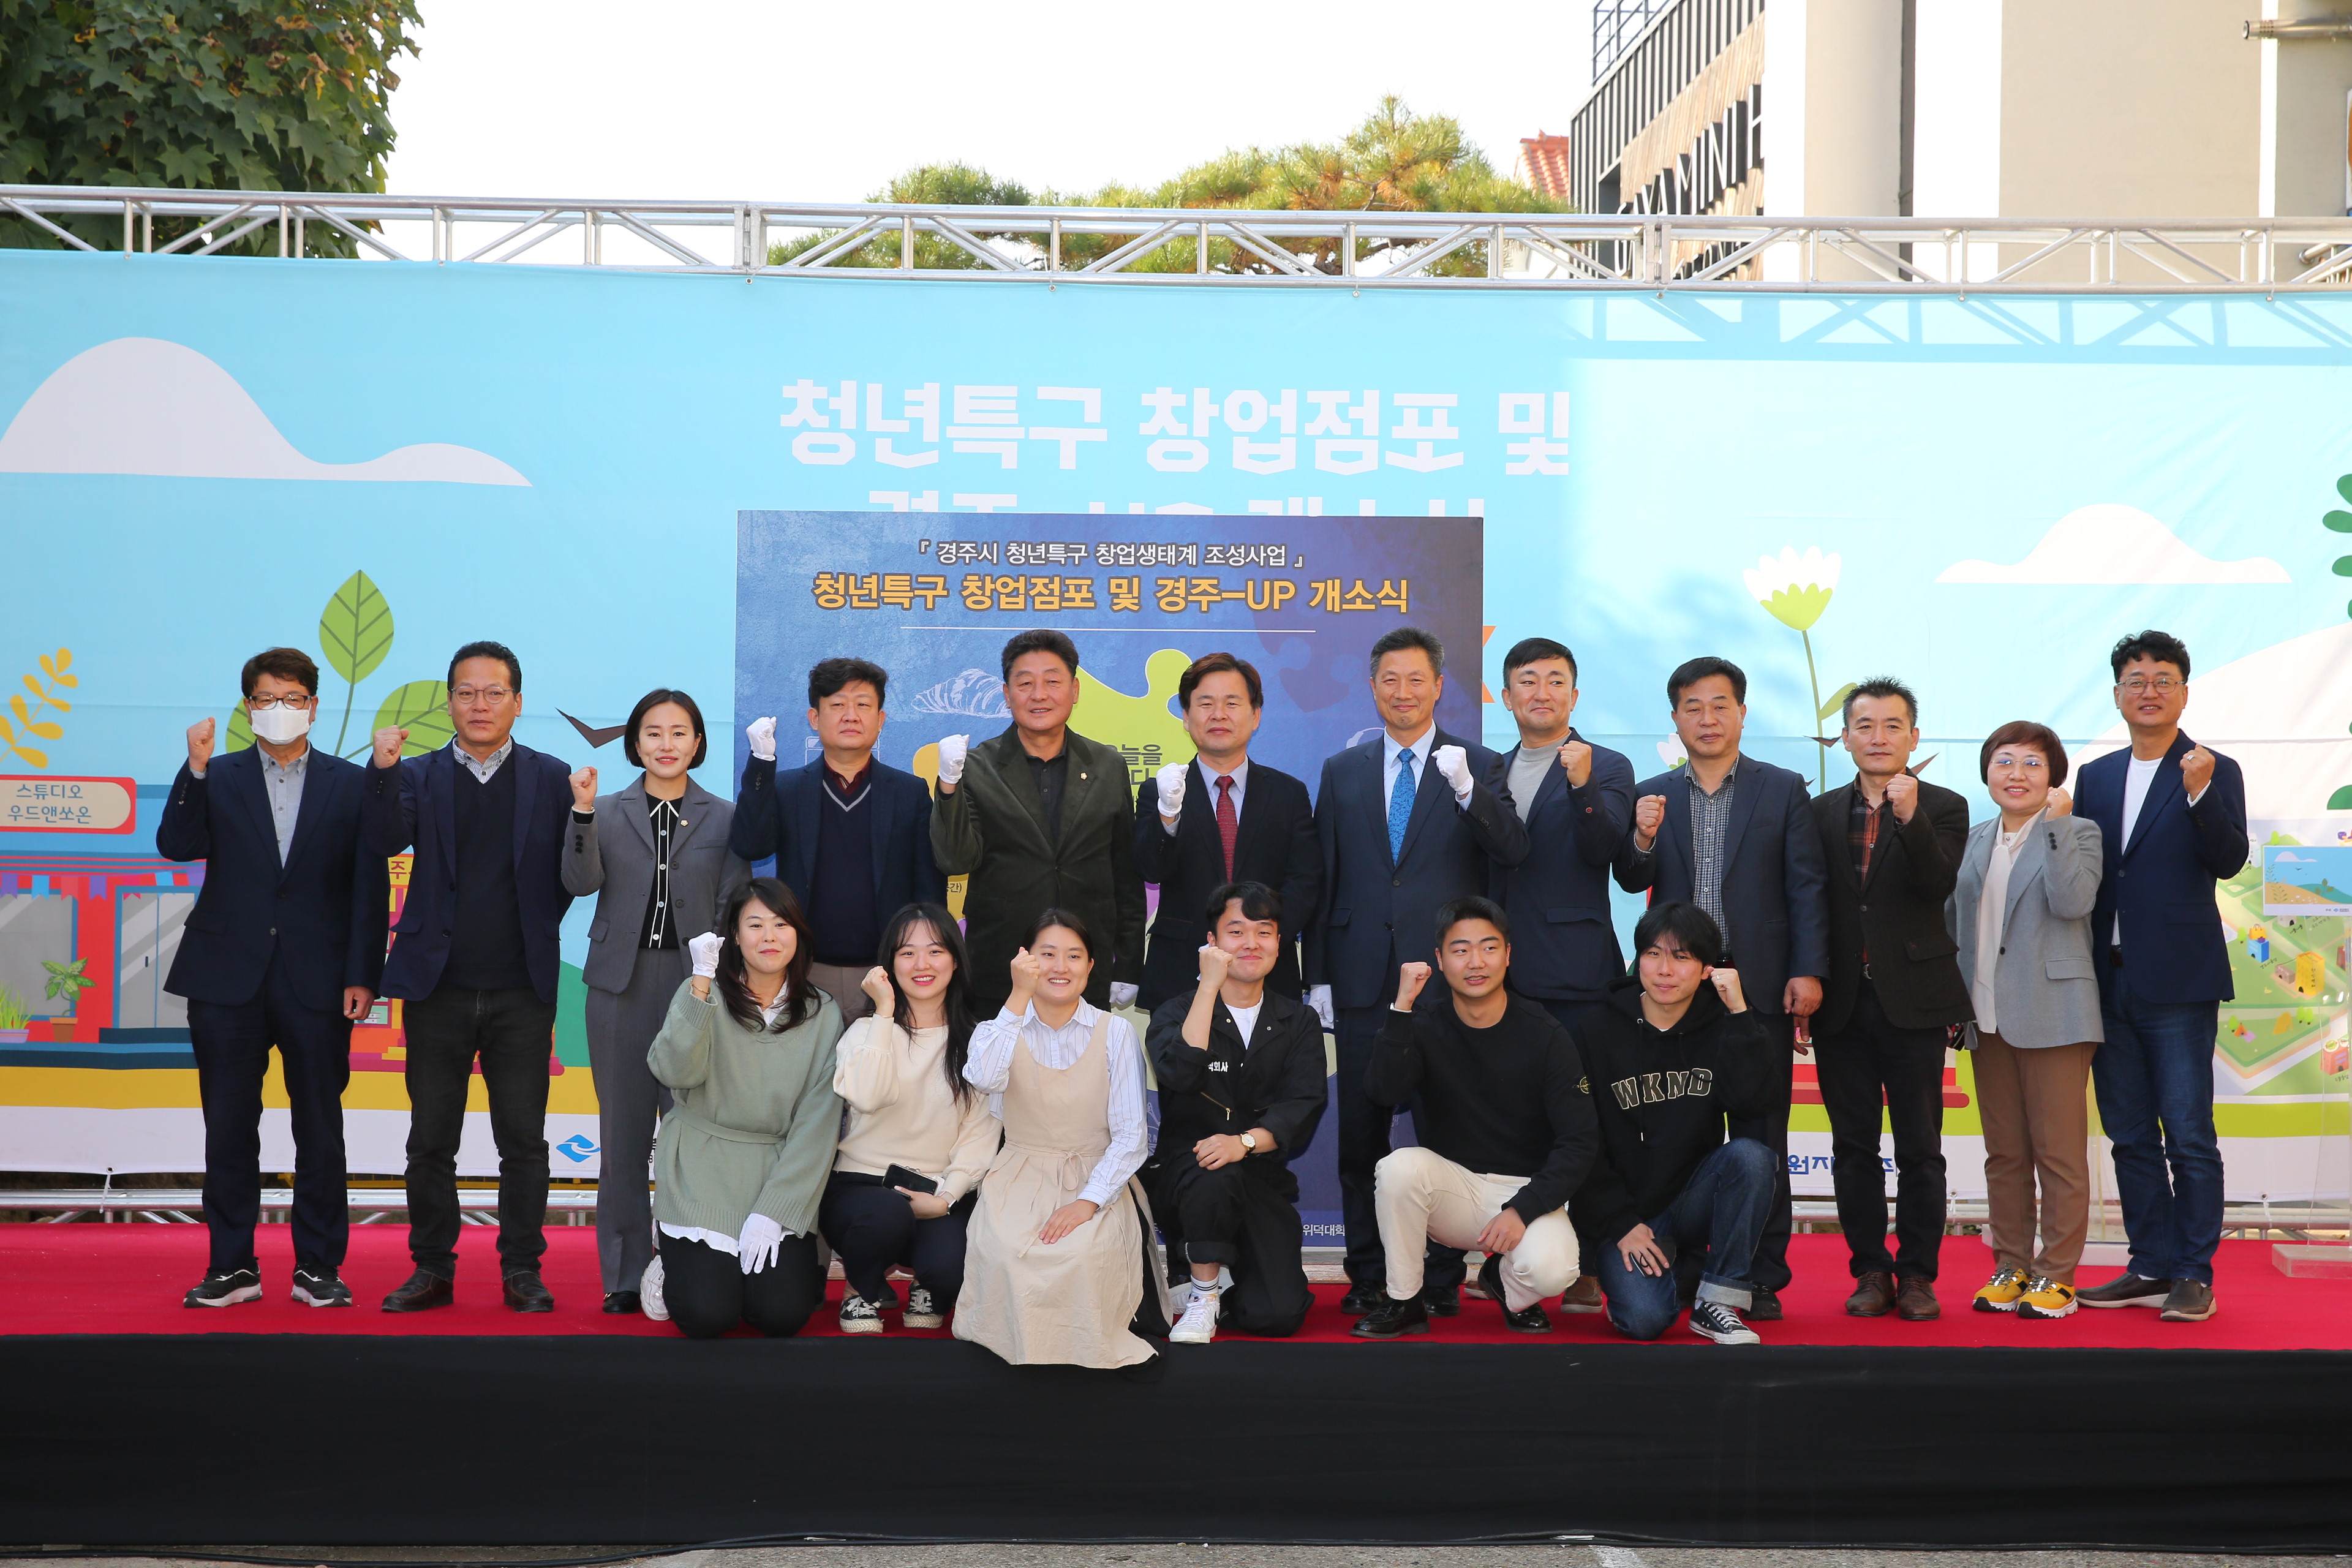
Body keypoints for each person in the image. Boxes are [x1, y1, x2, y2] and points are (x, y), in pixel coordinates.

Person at [1305, 627, 1528, 1316]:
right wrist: (1319, 975)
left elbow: (1511, 851)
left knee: (1449, 1134)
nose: (1403, 692)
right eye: (1390, 680)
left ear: (1439, 686)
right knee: (1361, 1136)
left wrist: (1469, 792)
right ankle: (1368, 1272)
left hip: (1450, 981)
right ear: (1373, 687)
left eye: (1416, 680)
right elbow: (1325, 876)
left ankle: (1440, 1277)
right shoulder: (1342, 770)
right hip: (1363, 978)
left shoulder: (1479, 764)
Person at [157, 647, 388, 1309]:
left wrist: (362, 974)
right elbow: (177, 845)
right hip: (226, 978)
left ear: (313, 706)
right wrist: (194, 768)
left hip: (319, 979)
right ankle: (232, 1266)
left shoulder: (351, 783)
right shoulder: (218, 773)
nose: (279, 709)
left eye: (292, 698)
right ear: (248, 706)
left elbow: (368, 887)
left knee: (320, 1128)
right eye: (266, 699)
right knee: (229, 1128)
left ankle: (318, 1266)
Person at [363, 640, 575, 1313]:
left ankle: (522, 1270)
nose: (480, 705)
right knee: (431, 1141)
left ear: (517, 701)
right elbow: (383, 841)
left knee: (524, 1142)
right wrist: (382, 771)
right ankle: (431, 1268)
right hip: (438, 987)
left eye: (494, 692)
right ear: (449, 702)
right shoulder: (417, 774)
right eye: (466, 692)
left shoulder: (553, 777)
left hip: (521, 989)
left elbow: (567, 878)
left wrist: (530, 930)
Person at [1613, 655, 1828, 1319]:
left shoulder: (1782, 787)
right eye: (1693, 708)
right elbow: (1630, 876)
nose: (1707, 719)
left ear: (1742, 712)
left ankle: (1760, 1275)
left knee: (1762, 1135)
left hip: (1758, 987)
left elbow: (1805, 885)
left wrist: (1807, 969)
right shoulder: (1654, 792)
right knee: (1685, 1132)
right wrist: (1641, 836)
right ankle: (1690, 1267)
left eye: (1720, 705)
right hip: (1678, 990)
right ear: (1675, 718)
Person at [2075, 631, 2247, 1323]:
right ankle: (2149, 1263)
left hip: (2178, 981)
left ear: (2184, 692)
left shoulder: (2213, 768)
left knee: (2189, 1134)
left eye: (2163, 679)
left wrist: (2201, 794)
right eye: (2136, 680)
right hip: (2104, 979)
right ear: (2117, 694)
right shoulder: (2095, 776)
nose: (2149, 691)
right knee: (2129, 1136)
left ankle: (2194, 1273)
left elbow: (2229, 859)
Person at [561, 688, 750, 1314]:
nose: (666, 744)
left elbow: (733, 902)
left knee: (692, 1133)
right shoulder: (604, 810)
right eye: (653, 732)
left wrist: (717, 979)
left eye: (679, 732)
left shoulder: (725, 817)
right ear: (634, 742)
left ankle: (689, 1264)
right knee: (622, 1136)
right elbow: (579, 882)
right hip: (621, 983)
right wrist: (580, 814)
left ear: (698, 742)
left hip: (698, 986)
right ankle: (623, 1274)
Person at [1352, 897, 1595, 1340]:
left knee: (1554, 1271)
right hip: (1452, 1189)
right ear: (1440, 959)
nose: (1476, 962)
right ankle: (1405, 1301)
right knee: (1398, 1168)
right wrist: (1402, 1007)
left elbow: (1580, 1142)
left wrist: (1523, 1208)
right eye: (1461, 950)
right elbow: (1384, 1092)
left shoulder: (1546, 1034)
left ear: (1508, 954)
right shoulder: (1424, 1023)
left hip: (1523, 1191)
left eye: (1488, 947)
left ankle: (1503, 1282)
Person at [1807, 679, 1973, 1321]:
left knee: (1920, 1148)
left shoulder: (1945, 805)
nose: (1879, 737)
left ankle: (1918, 1274)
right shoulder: (1819, 812)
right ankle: (1870, 1270)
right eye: (1865, 726)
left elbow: (1937, 884)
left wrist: (1910, 818)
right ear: (1845, 738)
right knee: (1852, 1146)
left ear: (1913, 737)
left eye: (1892, 726)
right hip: (1841, 1002)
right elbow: (1810, 903)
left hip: (1916, 1000)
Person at [1483, 636, 1634, 1317]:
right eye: (1527, 680)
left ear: (1574, 695)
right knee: (1512, 1122)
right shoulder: (1489, 769)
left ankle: (1589, 1265)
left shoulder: (1607, 765)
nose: (1540, 692)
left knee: (1584, 1121)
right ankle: (1511, 1261)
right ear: (1506, 696)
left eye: (1554, 680)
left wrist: (1581, 786)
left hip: (1575, 973)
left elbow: (1606, 850)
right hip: (1497, 975)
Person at [956, 909, 1168, 1371]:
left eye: (1074, 956)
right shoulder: (998, 1029)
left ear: (1091, 966)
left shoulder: (1116, 1032)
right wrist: (1018, 996)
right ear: (1025, 961)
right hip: (1017, 1177)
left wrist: (1087, 1202)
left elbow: (1131, 1137)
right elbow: (983, 1078)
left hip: (1097, 1178)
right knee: (1010, 1254)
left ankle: (1081, 1364)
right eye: (1047, 955)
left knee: (1081, 1255)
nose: (1060, 967)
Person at [1571, 903, 1782, 1346]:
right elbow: (1578, 1139)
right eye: (1653, 954)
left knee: (1752, 1158)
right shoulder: (1594, 1030)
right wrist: (1619, 1221)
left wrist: (1740, 1013)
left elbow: (1754, 1104)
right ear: (1638, 960)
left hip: (1690, 1202)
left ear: (1706, 969)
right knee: (1645, 1321)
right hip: (1625, 1213)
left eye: (1681, 957)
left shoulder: (1721, 1025)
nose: (1665, 970)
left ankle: (1716, 1302)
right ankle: (1655, 1276)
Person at [1950, 722, 2105, 1321]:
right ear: (1987, 772)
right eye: (2005, 761)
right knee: (2005, 1154)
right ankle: (2010, 1265)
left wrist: (2058, 825)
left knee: (2058, 1155)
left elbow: (2073, 903)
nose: (2017, 774)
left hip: (2055, 1014)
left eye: (2032, 764)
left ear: (2054, 777)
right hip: (1985, 1017)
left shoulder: (2078, 832)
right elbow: (1955, 924)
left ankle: (2058, 1274)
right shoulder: (1973, 839)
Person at [646, 880, 843, 1338]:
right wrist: (701, 982)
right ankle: (666, 1258)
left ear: (798, 934)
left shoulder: (823, 1012)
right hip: (701, 1167)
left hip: (775, 1169)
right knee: (708, 1315)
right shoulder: (703, 991)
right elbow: (673, 1071)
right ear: (734, 936)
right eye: (755, 925)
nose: (769, 937)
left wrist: (776, 1210)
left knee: (781, 1315)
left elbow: (817, 1123)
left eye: (781, 924)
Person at [1144, 881, 1330, 1344]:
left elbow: (1303, 1104)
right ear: (1212, 942)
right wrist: (1209, 986)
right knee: (1214, 1169)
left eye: (1264, 932)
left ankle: (1221, 1285)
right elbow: (1180, 1073)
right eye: (1236, 931)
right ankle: (1204, 1294)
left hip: (1258, 1177)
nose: (1251, 943)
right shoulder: (1175, 1012)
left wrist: (1243, 1143)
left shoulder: (1299, 1021)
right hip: (1188, 1177)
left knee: (1277, 1314)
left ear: (1279, 943)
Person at [933, 630, 1147, 1019]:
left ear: (1075, 690)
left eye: (1052, 681)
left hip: (1084, 965)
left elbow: (1126, 876)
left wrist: (1129, 963)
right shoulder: (977, 767)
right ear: (1007, 693)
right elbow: (955, 860)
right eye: (1025, 684)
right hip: (1001, 965)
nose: (1039, 695)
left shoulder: (1108, 766)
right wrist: (948, 787)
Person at [733, 657, 946, 1023]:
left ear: (880, 719)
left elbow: (929, 887)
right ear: (814, 718)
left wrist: (922, 961)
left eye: (863, 705)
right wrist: (761, 763)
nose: (851, 716)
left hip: (886, 972)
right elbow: (751, 846)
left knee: (882, 1060)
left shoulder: (909, 792)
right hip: (805, 970)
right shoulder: (787, 788)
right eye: (837, 705)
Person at [819, 902, 999, 1335]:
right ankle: (861, 1285)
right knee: (887, 1215)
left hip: (938, 1188)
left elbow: (980, 1135)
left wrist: (947, 1198)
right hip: (862, 1188)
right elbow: (869, 1096)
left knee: (950, 1267)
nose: (922, 964)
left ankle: (927, 1282)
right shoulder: (865, 1031)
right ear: (889, 965)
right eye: (907, 953)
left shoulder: (978, 1040)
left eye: (935, 951)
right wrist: (884, 1013)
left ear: (955, 960)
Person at [1133, 652, 1321, 1011]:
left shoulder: (1288, 793)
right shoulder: (1161, 791)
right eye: (1205, 704)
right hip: (1180, 971)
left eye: (1232, 703)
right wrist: (1169, 815)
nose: (1218, 714)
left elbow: (1305, 880)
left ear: (1256, 715)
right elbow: (1150, 869)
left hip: (1268, 973)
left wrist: (1260, 941)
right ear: (1186, 717)